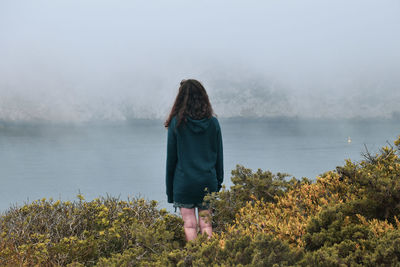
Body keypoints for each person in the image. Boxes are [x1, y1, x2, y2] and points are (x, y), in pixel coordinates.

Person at [164, 79, 224, 241]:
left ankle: (195, 260)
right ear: (203, 97)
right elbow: (219, 156)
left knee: (189, 225)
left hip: (184, 184)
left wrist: (171, 191)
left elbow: (171, 160)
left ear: (181, 98)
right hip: (207, 181)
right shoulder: (213, 123)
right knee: (206, 225)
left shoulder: (177, 123)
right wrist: (217, 183)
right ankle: (209, 259)